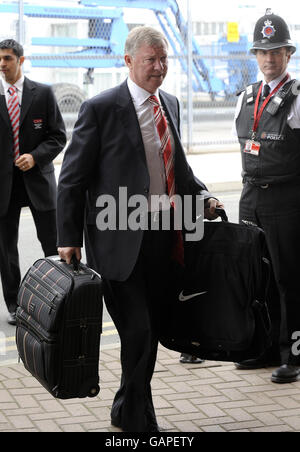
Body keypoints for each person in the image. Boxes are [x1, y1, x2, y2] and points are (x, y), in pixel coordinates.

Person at [57, 26, 223, 432]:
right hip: (117, 241)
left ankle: (123, 406)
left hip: (163, 239)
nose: (160, 67)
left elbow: (178, 168)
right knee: (139, 331)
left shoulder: (170, 103)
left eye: (164, 58)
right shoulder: (100, 109)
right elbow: (72, 179)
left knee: (150, 332)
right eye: (151, 59)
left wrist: (202, 197)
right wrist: (66, 239)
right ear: (128, 61)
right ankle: (137, 422)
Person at [233, 10, 300, 384]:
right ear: (255, 56)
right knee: (257, 277)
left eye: (276, 51)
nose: (269, 59)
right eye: (262, 51)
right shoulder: (244, 97)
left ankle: (293, 353)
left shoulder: (298, 98)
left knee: (289, 279)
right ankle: (262, 349)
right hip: (250, 197)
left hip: (287, 200)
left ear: (288, 54)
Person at [0, 39, 66, 325]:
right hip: (4, 184)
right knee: (6, 249)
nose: (2, 64)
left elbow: (58, 136)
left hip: (37, 180)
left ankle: (61, 299)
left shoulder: (43, 94)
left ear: (21, 60)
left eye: (7, 59)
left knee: (53, 244)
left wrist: (35, 156)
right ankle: (15, 304)